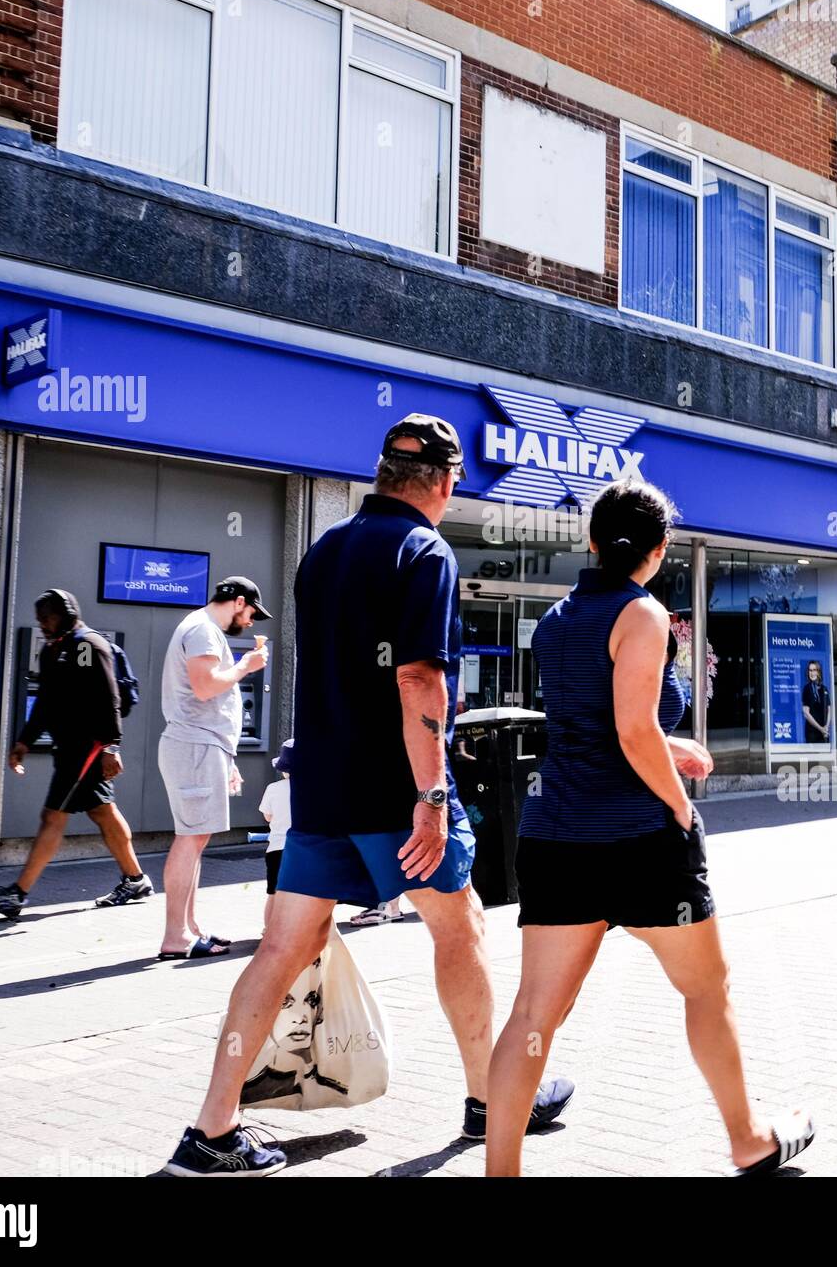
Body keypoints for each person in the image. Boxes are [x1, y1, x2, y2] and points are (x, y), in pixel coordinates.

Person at [164, 414, 572, 1177]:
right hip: (395, 790)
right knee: (460, 930)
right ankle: (491, 1100)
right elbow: (419, 679)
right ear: (445, 484)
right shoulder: (425, 550)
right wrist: (430, 794)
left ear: (383, 473)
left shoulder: (322, 553)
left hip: (317, 787)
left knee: (283, 948)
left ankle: (211, 1130)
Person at [485, 480, 815, 1178]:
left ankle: (500, 1173)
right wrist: (679, 803)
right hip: (637, 836)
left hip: (555, 835)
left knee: (534, 1014)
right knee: (708, 988)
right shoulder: (644, 615)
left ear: (593, 542)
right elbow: (633, 730)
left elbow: (592, 727)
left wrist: (671, 749)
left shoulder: (557, 618)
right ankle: (748, 1139)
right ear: (660, 551)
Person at [0, 589, 151, 919]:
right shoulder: (52, 649)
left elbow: (109, 698)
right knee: (103, 813)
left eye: (48, 617)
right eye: (39, 618)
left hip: (88, 748)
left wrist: (112, 746)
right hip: (68, 746)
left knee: (52, 817)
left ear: (67, 615)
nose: (42, 623)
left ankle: (17, 895)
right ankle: (135, 880)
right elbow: (45, 701)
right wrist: (24, 741)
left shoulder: (87, 645)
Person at [157, 576, 271, 960]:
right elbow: (205, 687)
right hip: (194, 745)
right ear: (239, 602)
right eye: (252, 612)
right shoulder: (203, 630)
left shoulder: (200, 628)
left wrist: (227, 756)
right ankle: (176, 937)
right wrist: (245, 665)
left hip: (202, 746)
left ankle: (190, 930)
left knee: (197, 837)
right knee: (191, 838)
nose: (252, 621)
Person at [259, 738, 294, 934]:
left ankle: (268, 929)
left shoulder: (273, 789)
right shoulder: (309, 790)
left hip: (276, 848)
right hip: (300, 848)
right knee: (299, 893)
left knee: (273, 892)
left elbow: (267, 815)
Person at [801, 659, 831, 744]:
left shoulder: (824, 689)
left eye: (814, 670)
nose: (812, 673)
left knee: (825, 756)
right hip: (812, 733)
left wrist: (826, 727)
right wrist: (820, 728)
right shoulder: (807, 689)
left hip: (824, 733)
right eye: (810, 670)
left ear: (818, 672)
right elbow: (806, 713)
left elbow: (829, 710)